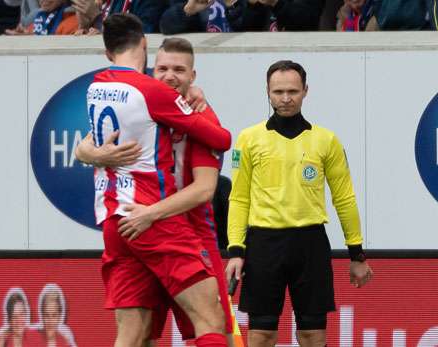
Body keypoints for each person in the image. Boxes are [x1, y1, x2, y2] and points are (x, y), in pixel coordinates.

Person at [77, 13, 232, 347]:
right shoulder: (151, 94)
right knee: (210, 319)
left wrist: (89, 154)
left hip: (116, 219)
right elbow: (222, 139)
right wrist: (196, 108)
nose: (169, 76)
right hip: (155, 221)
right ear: (146, 51)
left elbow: (205, 188)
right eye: (163, 69)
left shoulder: (99, 85)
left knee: (134, 334)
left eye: (179, 71)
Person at [225, 60, 373, 347]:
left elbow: (344, 197)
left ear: (306, 91)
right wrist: (235, 250)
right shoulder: (248, 139)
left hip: (310, 244)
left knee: (313, 334)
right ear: (267, 92)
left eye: (293, 90)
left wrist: (357, 255)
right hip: (264, 244)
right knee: (262, 334)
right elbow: (239, 197)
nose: (285, 98)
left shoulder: (326, 140)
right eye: (278, 91)